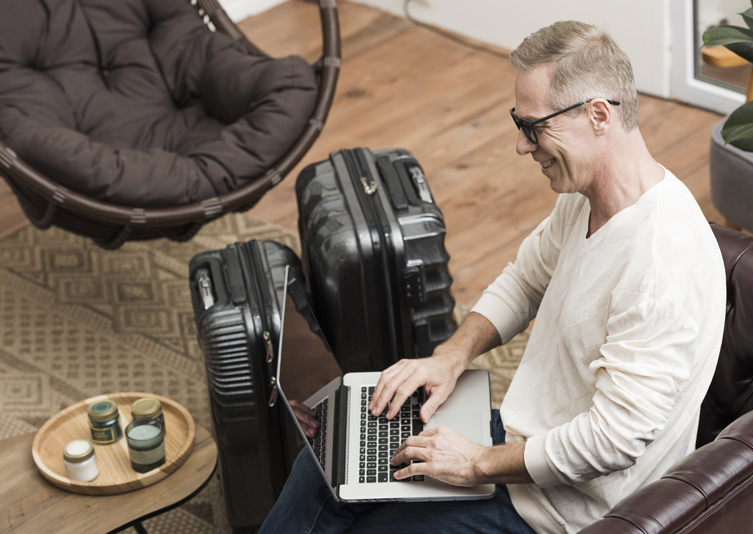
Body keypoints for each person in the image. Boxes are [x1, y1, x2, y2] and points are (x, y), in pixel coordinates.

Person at [260, 20, 726, 534]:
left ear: (598, 115)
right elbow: (524, 280)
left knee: (363, 520)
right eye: (517, 123)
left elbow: (612, 442)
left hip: (564, 509)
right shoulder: (589, 197)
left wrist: (477, 463)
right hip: (521, 443)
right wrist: (449, 357)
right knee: (330, 456)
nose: (522, 146)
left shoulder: (659, 265)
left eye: (534, 126)